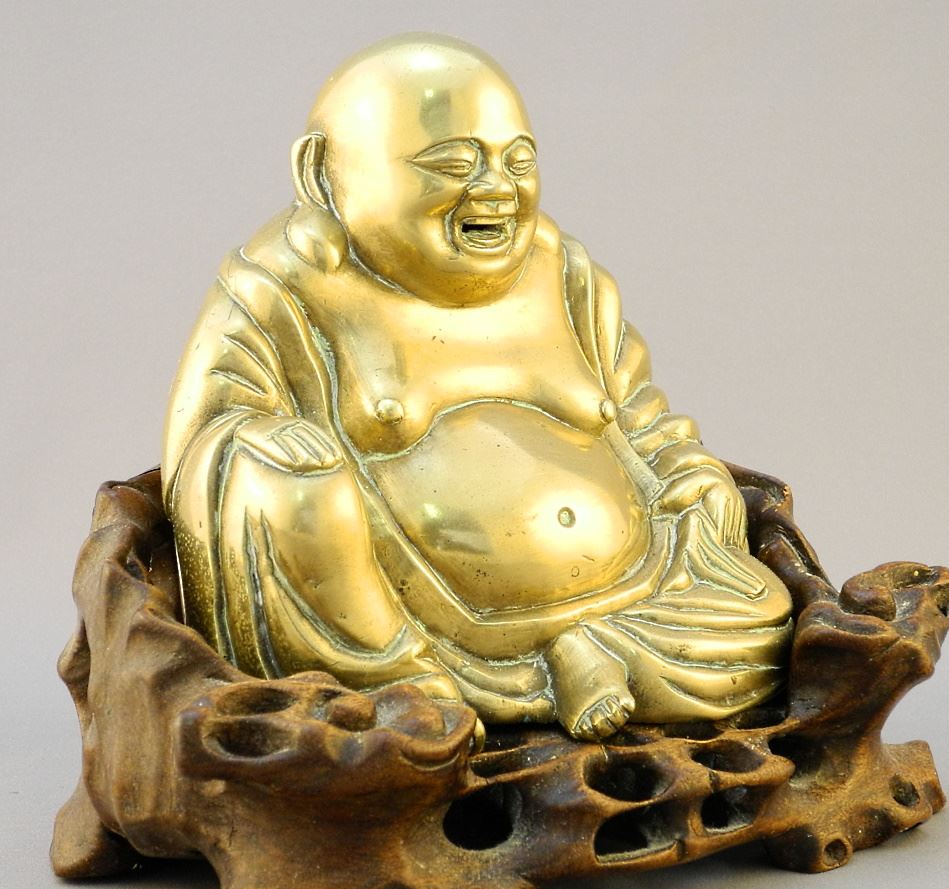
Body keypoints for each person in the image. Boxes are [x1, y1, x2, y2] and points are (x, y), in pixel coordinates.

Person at [162, 33, 793, 742]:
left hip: (639, 588)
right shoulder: (280, 290)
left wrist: (684, 473)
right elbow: (206, 441)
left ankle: (587, 652)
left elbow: (641, 415)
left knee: (762, 625)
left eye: (518, 162)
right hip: (416, 620)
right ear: (322, 174)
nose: (496, 189)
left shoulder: (565, 276)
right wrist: (263, 443)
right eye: (454, 164)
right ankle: (417, 689)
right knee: (275, 483)